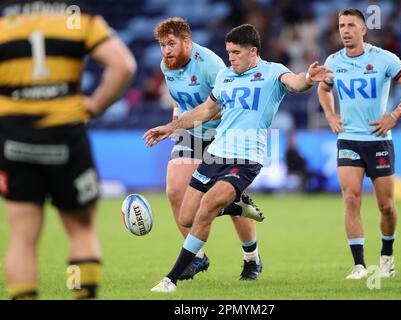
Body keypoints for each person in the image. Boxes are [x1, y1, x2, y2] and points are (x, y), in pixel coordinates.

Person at [144, 23, 333, 292]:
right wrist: (170, 127)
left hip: (245, 158)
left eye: (234, 53)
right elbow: (205, 111)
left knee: (207, 206)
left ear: (252, 51)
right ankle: (236, 206)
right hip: (216, 153)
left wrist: (309, 78)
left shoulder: (272, 72)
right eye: (228, 52)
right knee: (186, 218)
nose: (229, 58)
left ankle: (170, 279)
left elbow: (296, 83)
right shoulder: (225, 77)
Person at [0, 0, 136, 299]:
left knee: (22, 239)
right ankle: (80, 293)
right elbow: (123, 65)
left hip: (14, 138)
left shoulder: (4, 20)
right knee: (81, 231)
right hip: (65, 134)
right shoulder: (78, 17)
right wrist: (96, 105)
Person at [317, 8, 401, 280]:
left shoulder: (383, 59)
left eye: (351, 25)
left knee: (386, 206)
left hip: (378, 140)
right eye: (342, 25)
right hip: (349, 140)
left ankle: (387, 256)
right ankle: (359, 265)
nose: (345, 30)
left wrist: (395, 115)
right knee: (351, 198)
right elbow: (323, 88)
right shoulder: (333, 61)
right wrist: (331, 114)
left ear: (363, 30)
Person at [153, 17, 265, 281]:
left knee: (227, 197)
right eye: (162, 45)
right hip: (189, 134)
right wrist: (176, 124)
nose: (166, 50)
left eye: (171, 44)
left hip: (221, 136)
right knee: (174, 191)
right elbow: (178, 99)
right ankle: (196, 258)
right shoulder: (166, 65)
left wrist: (196, 119)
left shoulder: (211, 65)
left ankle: (252, 259)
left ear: (187, 42)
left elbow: (229, 104)